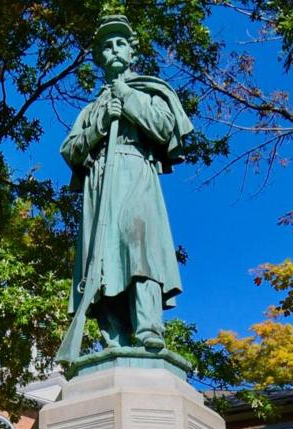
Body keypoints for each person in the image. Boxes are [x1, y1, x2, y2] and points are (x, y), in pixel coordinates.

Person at [55, 14, 193, 364]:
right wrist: (100, 124)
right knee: (99, 261)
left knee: (139, 248)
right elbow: (70, 151)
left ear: (132, 52)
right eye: (106, 45)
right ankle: (112, 337)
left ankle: (148, 330)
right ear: (100, 57)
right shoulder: (90, 109)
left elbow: (165, 128)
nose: (113, 49)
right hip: (99, 184)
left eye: (120, 43)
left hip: (135, 172)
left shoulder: (149, 90)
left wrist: (127, 98)